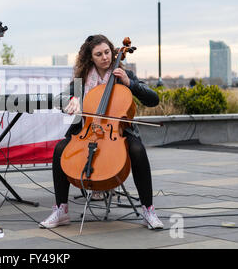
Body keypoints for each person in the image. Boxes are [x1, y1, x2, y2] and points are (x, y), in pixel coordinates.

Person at [40, 34, 163, 230]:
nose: (105, 57)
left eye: (107, 52)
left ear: (113, 53)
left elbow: (153, 99)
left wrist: (130, 84)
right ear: (91, 57)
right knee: (59, 150)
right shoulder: (83, 79)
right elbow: (60, 100)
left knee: (138, 150)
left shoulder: (124, 74)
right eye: (99, 54)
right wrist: (70, 101)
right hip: (87, 131)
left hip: (119, 131)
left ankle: (148, 210)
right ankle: (61, 209)